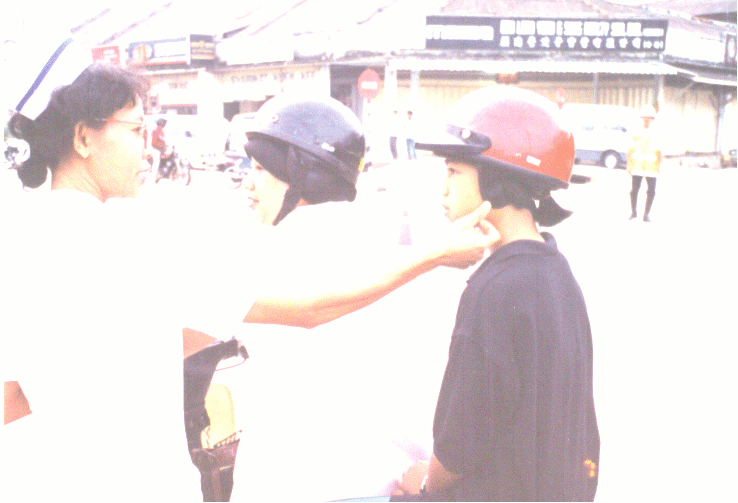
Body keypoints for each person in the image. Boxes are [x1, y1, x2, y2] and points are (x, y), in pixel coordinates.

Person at [1, 32, 495, 501]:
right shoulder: (140, 242)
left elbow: (17, 395)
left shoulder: (23, 248)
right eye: (135, 130)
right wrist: (433, 256)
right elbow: (309, 311)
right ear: (84, 138)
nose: (147, 145)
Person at [392, 86, 600, 501]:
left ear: (497, 177)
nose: (443, 191)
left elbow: (460, 440)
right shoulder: (555, 269)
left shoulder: (494, 289)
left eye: (454, 172)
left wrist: (426, 483)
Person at [627, 104, 662, 222]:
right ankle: (633, 213)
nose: (646, 119)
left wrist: (660, 165)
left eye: (649, 117)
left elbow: (660, 150)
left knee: (652, 191)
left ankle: (646, 214)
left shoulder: (657, 132)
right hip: (637, 165)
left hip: (651, 167)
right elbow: (630, 149)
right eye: (644, 117)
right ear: (641, 118)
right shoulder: (635, 131)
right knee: (634, 190)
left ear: (652, 119)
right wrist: (628, 165)